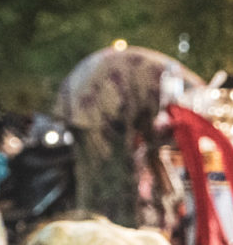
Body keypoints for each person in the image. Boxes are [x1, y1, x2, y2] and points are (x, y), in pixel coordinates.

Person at [53, 44, 204, 229]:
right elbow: (153, 124)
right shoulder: (170, 78)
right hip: (94, 108)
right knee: (111, 181)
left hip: (83, 101)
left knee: (97, 180)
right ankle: (110, 234)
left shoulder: (166, 70)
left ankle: (100, 230)